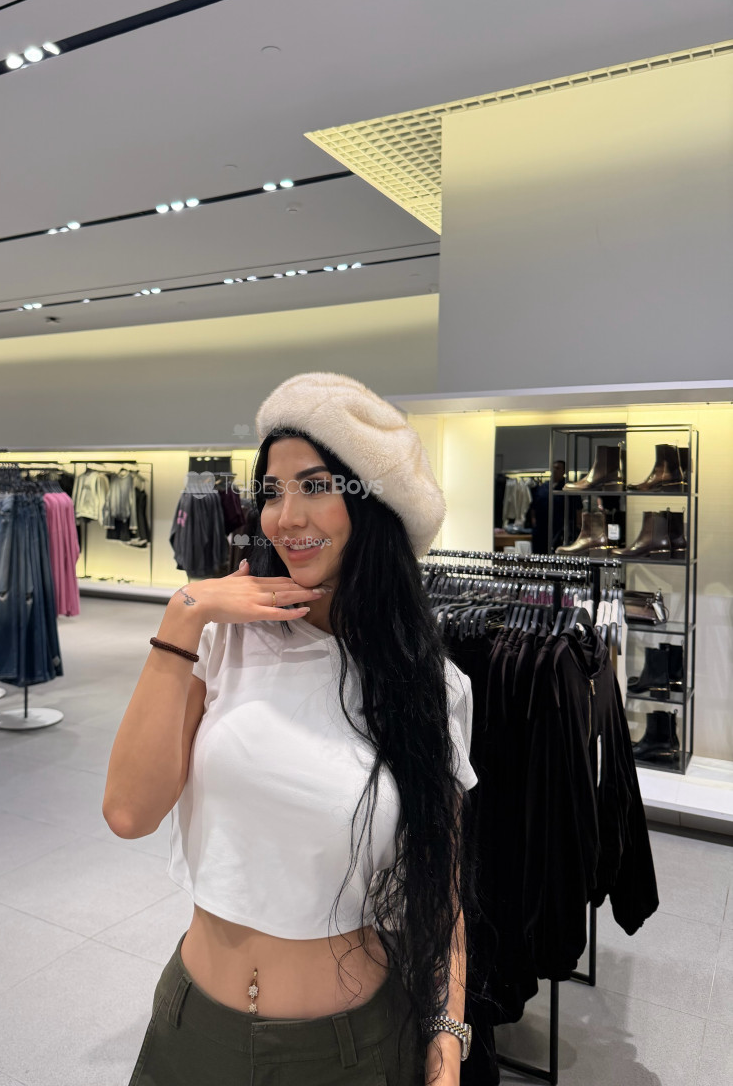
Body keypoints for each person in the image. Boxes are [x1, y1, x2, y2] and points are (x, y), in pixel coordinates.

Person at [105, 372, 479, 1086]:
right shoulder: (224, 640)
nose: (285, 516)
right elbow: (128, 812)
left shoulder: (431, 688)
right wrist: (183, 615)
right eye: (273, 492)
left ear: (373, 506)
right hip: (194, 1030)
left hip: (351, 1050)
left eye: (315, 486)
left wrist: (448, 1045)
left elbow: (442, 892)